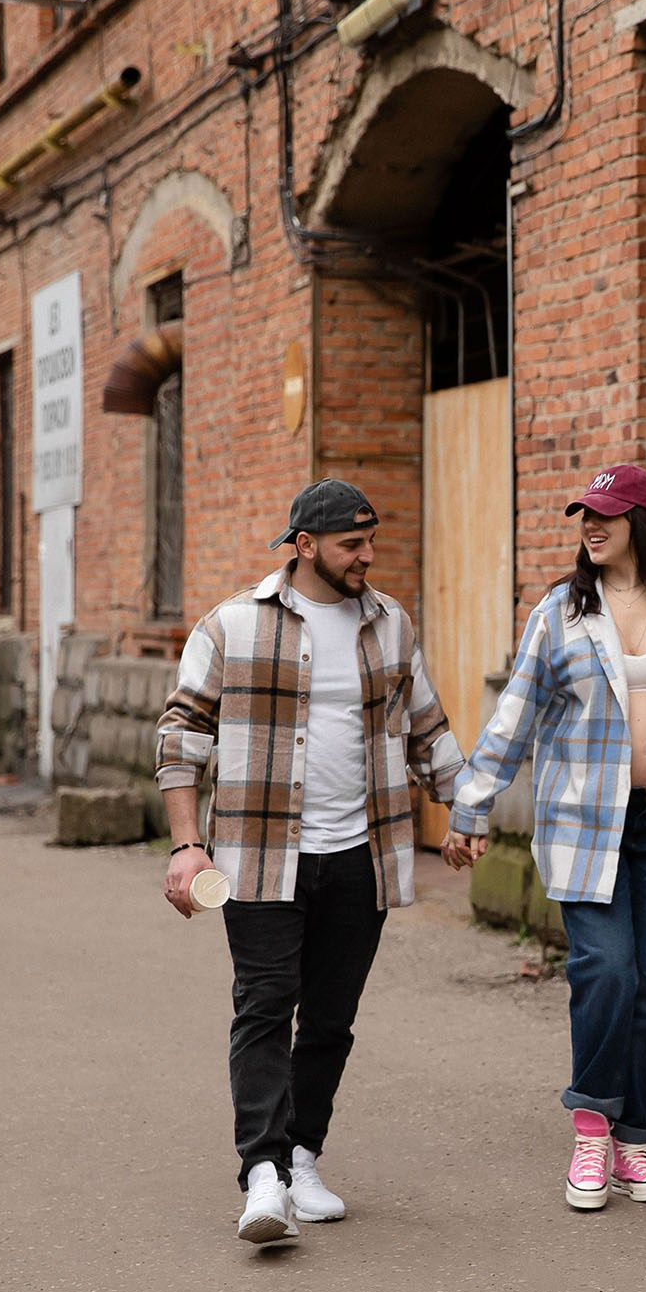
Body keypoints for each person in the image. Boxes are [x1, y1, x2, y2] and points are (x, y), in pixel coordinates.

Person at [157, 478, 463, 1244]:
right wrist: (188, 843)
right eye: (351, 544)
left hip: (362, 855)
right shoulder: (233, 625)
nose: (367, 556)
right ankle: (261, 1175)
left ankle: (302, 1155)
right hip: (259, 853)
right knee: (264, 1003)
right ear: (305, 546)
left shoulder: (390, 624)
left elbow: (427, 727)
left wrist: (468, 809)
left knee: (330, 1019)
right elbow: (181, 734)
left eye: (370, 541)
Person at [442, 463, 646, 1211]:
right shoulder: (561, 611)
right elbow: (517, 712)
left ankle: (635, 1142)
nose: (590, 526)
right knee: (605, 970)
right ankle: (591, 1129)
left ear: (645, 520)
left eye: (606, 514)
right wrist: (471, 805)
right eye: (584, 515)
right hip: (585, 825)